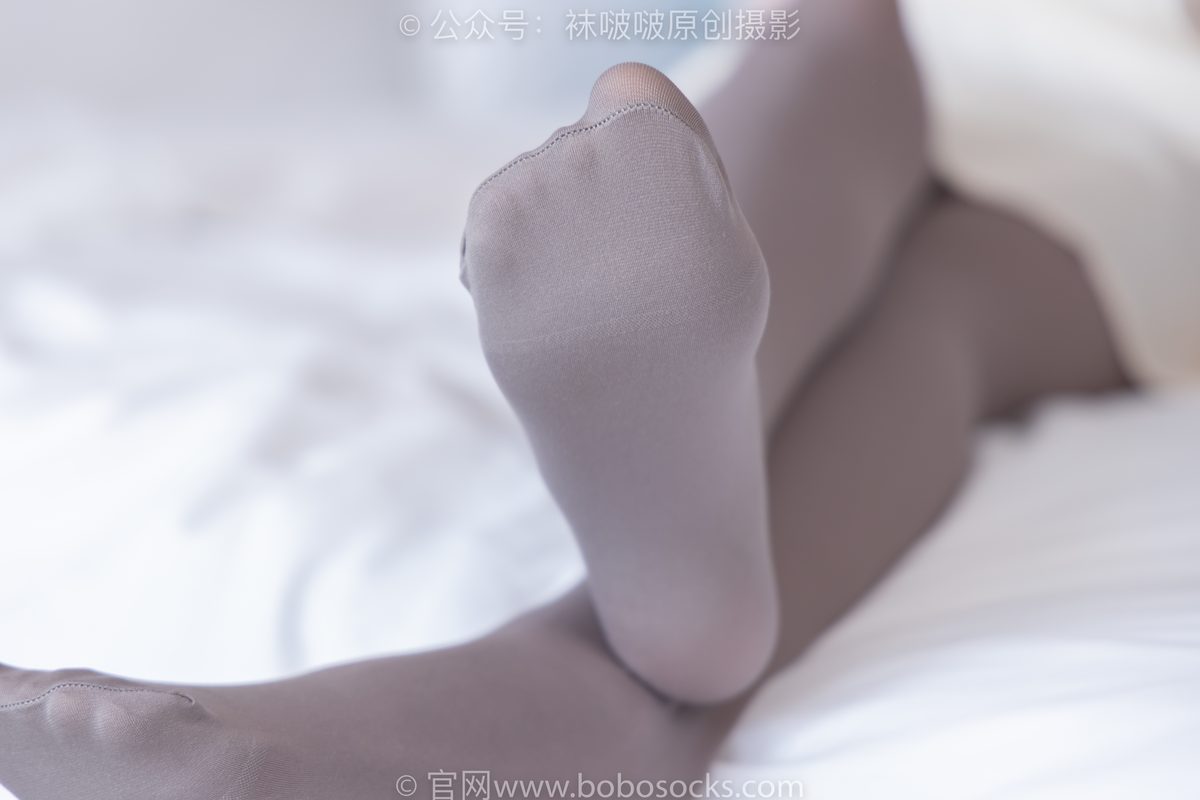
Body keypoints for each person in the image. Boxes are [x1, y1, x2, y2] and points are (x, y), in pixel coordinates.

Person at [2, 1, 1196, 798]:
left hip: (1124, 110)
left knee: (837, 95)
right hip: (1063, 135)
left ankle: (627, 645)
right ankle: (632, 647)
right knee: (936, 310)